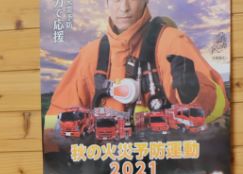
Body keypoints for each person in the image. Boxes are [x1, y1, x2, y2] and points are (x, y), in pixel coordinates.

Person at [46, 0, 229, 122]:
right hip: (103, 168)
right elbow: (57, 118)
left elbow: (220, 105)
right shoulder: (89, 55)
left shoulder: (171, 42)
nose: (124, 7)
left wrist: (195, 93)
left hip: (167, 165)